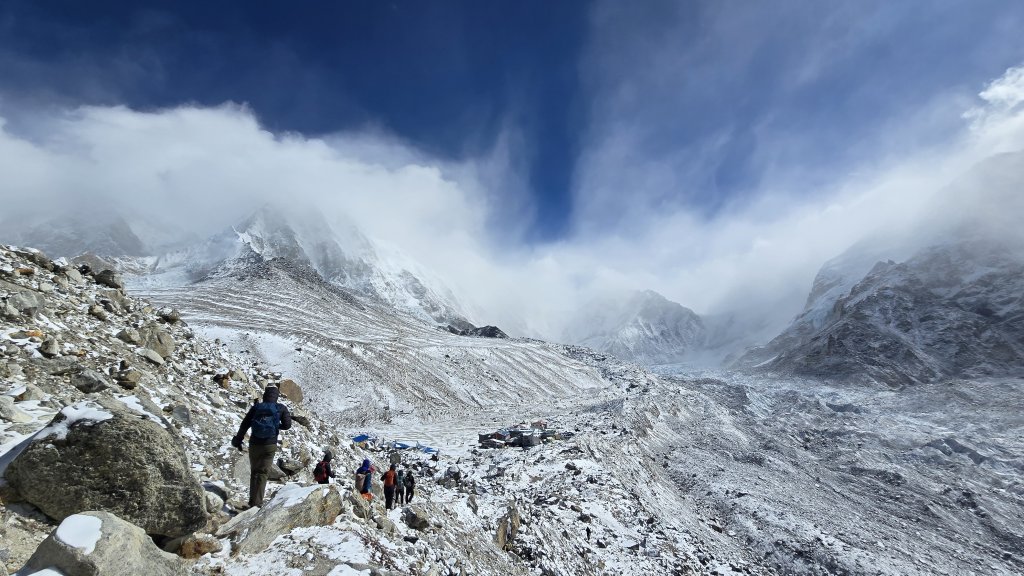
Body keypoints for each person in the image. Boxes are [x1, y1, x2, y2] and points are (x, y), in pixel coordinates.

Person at [232, 386, 292, 508]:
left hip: (255, 444)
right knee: (263, 473)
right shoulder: (280, 408)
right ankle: (257, 504)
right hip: (270, 445)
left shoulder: (257, 407)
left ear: (265, 395)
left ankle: (252, 502)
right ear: (276, 397)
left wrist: (238, 440)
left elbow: (244, 425)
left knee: (254, 472)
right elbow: (287, 425)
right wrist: (276, 425)